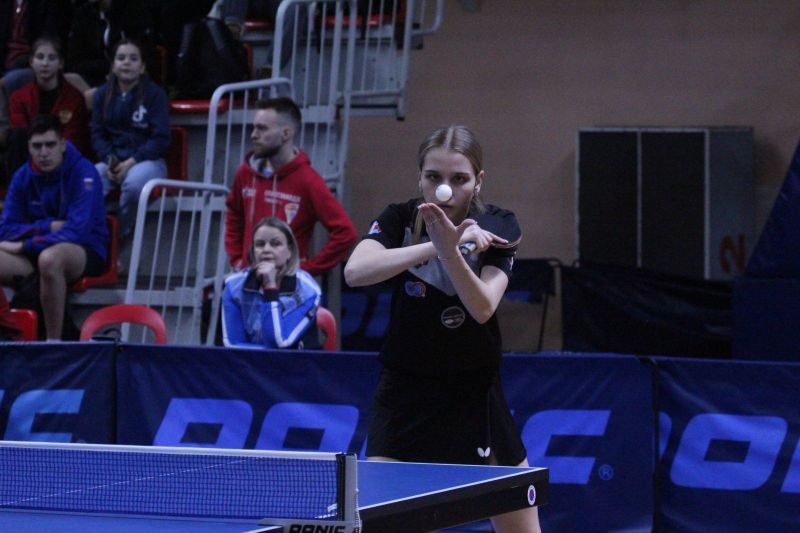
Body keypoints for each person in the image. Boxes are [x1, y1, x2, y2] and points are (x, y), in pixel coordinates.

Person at [343, 125, 542, 532]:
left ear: (478, 181)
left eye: (459, 179)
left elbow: (482, 307)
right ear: (419, 177)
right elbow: (355, 271)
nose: (444, 190)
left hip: (473, 394)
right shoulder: (399, 218)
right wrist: (438, 245)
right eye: (433, 176)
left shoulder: (497, 225)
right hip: (404, 394)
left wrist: (452, 255)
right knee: (387, 522)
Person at [0, 114, 108, 341]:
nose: (43, 153)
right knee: (43, 259)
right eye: (37, 146)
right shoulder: (22, 176)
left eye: (50, 145)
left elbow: (77, 231)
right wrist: (48, 226)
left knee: (50, 259)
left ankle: (54, 343)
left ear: (62, 144)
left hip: (84, 250)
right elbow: (5, 229)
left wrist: (25, 245)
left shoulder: (84, 172)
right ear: (29, 147)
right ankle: (6, 332)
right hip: (36, 251)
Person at [224, 97, 358, 277]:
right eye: (254, 127)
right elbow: (234, 213)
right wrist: (237, 260)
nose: (253, 135)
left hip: (286, 286)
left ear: (286, 134)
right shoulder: (246, 173)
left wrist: (305, 270)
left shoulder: (308, 180)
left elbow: (346, 234)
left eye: (262, 128)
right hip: (249, 279)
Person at [91, 37, 169, 240]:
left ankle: (117, 237)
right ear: (113, 66)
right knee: (88, 180)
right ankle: (91, 234)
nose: (126, 62)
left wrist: (130, 163)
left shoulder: (155, 94)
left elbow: (160, 139)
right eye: (121, 58)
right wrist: (111, 161)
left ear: (142, 67)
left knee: (134, 185)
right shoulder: (101, 95)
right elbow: (97, 135)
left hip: (147, 161)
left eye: (133, 59)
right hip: (112, 160)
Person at [222, 216, 322, 349]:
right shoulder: (233, 286)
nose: (266, 250)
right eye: (260, 244)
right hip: (247, 361)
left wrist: (270, 286)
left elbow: (278, 343)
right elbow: (233, 344)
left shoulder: (308, 291)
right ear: (253, 251)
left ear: (290, 251)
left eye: (275, 244)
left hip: (297, 360)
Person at [5, 36, 91, 176]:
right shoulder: (18, 97)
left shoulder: (74, 98)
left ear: (60, 63)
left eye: (51, 58)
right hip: (27, 159)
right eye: (40, 57)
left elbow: (74, 139)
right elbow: (20, 136)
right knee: (17, 136)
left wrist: (48, 156)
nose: (45, 63)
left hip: (63, 161)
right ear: (31, 62)